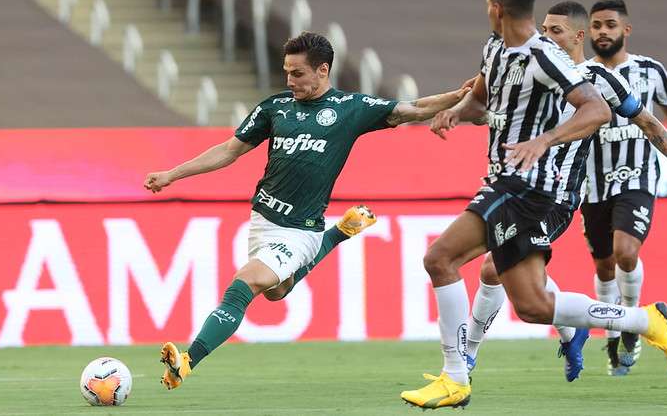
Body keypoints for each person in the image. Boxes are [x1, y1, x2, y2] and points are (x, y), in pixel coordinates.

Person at [400, 0, 667, 409]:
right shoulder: (493, 48)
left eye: (558, 29)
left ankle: (458, 370)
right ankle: (645, 320)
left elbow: (605, 111)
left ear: (495, 6)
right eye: (547, 28)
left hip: (536, 189)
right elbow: (481, 98)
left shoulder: (551, 61)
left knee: (441, 258)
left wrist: (544, 140)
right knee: (531, 305)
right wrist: (456, 111)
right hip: (507, 181)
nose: (551, 35)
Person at [144, 31, 471, 390]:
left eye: (297, 73)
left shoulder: (351, 108)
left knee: (245, 283)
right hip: (262, 221)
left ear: (322, 70)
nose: (290, 80)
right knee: (276, 291)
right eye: (286, 72)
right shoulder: (274, 108)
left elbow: (415, 108)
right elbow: (228, 150)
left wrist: (457, 97)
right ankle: (339, 234)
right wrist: (172, 174)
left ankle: (188, 361)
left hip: (300, 231)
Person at [583, 0, 667, 375]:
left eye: (610, 25)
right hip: (591, 183)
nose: (603, 32)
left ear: (626, 30)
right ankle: (612, 338)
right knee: (604, 266)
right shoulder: (578, 74)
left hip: (637, 176)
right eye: (597, 25)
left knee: (626, 252)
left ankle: (633, 328)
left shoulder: (650, 71)